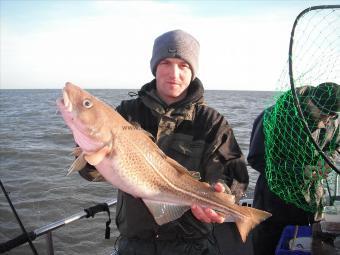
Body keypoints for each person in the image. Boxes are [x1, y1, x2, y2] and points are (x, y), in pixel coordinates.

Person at [78, 29, 250, 254]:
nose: (174, 73)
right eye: (166, 63)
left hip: (192, 245)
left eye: (184, 65)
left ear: (193, 72)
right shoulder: (127, 114)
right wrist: (89, 154)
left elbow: (231, 172)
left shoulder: (211, 122)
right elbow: (94, 172)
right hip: (134, 243)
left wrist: (224, 193)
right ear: (154, 67)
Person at [247, 82, 339, 255]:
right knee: (269, 247)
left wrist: (327, 159)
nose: (326, 121)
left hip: (312, 203)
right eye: (323, 114)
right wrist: (300, 171)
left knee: (309, 246)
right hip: (274, 203)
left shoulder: (332, 120)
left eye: (332, 116)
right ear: (310, 101)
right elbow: (256, 159)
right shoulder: (271, 117)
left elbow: (336, 145)